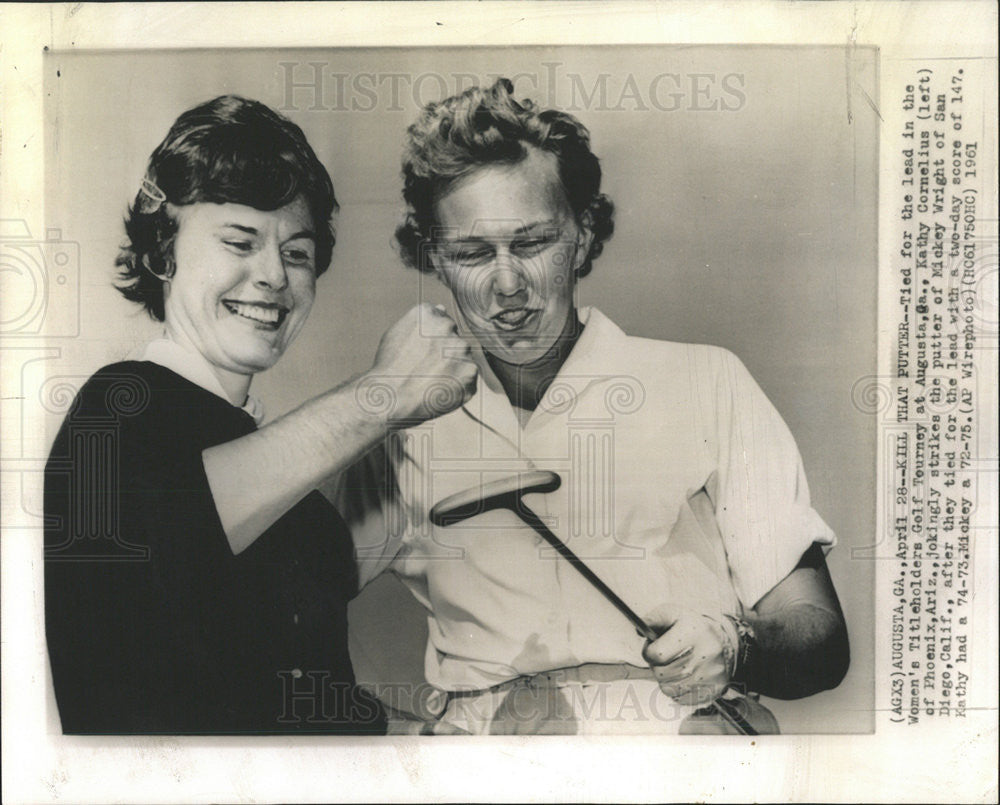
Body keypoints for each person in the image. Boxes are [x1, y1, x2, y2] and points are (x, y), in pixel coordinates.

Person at [339, 78, 850, 735]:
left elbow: (820, 636)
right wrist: (404, 740)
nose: (506, 283)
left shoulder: (707, 381)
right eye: (471, 252)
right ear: (435, 259)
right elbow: (274, 615)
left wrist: (737, 643)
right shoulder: (399, 427)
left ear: (581, 237)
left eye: (532, 243)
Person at [43, 95, 477, 734]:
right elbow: (179, 529)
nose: (274, 275)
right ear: (163, 252)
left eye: (297, 253)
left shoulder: (294, 501)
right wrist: (386, 392)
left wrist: (425, 739)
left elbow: (278, 691)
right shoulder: (116, 411)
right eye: (240, 241)